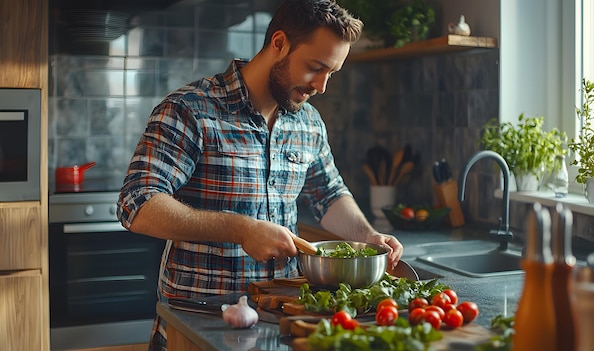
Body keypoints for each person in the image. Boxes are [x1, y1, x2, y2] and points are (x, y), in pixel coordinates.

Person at [116, 0, 404, 349]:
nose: (323, 86)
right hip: (199, 323)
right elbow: (137, 204)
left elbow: (327, 194)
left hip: (280, 322)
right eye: (315, 67)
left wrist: (368, 237)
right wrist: (242, 230)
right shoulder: (190, 109)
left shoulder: (308, 122)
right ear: (279, 43)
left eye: (332, 72)